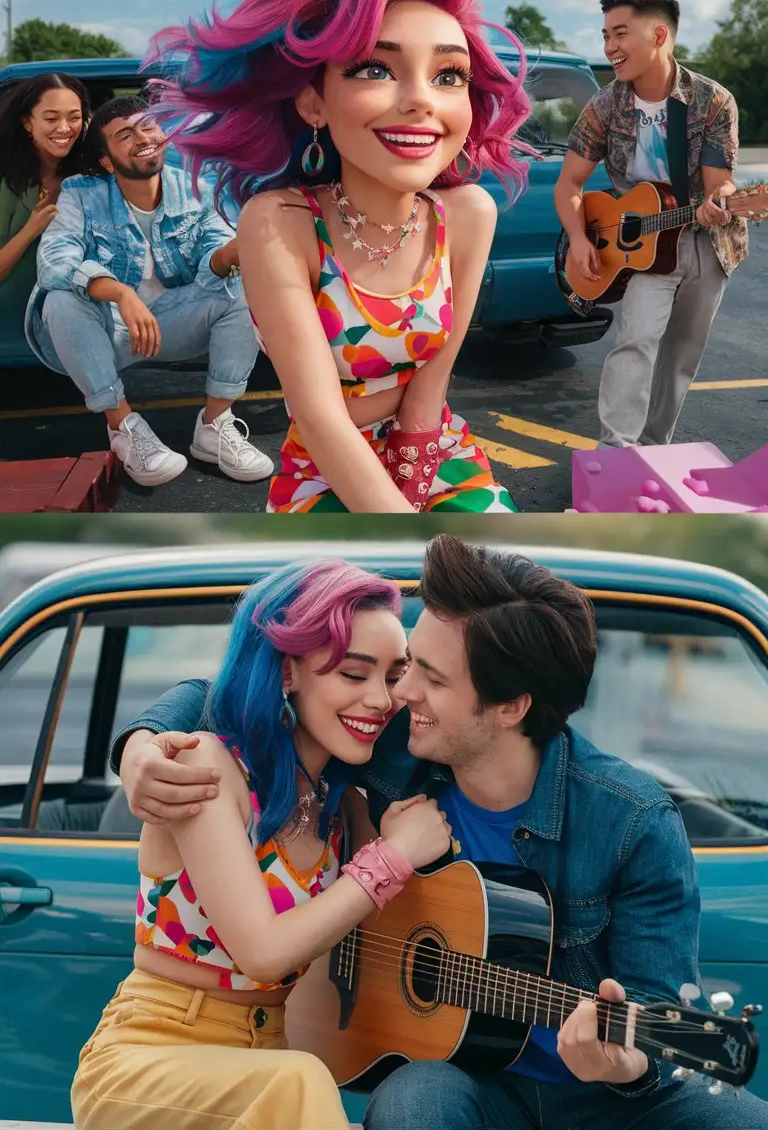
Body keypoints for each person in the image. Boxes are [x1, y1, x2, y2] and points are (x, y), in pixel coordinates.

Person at [110, 534, 768, 1130]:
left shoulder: (632, 823)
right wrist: (138, 745)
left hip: (610, 1102)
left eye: (425, 675)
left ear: (508, 708)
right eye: (406, 666)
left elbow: (651, 1012)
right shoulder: (396, 743)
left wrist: (622, 1064)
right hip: (472, 1085)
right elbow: (246, 685)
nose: (398, 694)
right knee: (412, 1100)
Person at [147, 0, 533, 513]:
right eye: (376, 68)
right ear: (313, 103)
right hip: (325, 465)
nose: (421, 100)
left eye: (449, 76)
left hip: (432, 443)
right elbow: (320, 418)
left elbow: (433, 383)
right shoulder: (281, 223)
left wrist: (415, 469)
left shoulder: (467, 213)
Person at [71, 557, 452, 1130]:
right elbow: (266, 953)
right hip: (151, 1057)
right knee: (300, 1079)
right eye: (354, 674)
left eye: (392, 675)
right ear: (287, 672)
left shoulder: (343, 807)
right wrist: (391, 857)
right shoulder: (208, 767)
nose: (381, 700)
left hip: (268, 1063)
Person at [24, 95, 273, 487]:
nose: (142, 137)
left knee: (240, 284)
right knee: (58, 296)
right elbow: (55, 260)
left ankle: (214, 427)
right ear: (106, 160)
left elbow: (215, 258)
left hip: (170, 324)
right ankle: (124, 429)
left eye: (148, 126)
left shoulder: (196, 190)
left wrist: (235, 252)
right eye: (124, 134)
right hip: (102, 331)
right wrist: (121, 294)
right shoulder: (81, 193)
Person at [554, 0, 747, 448]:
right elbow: (569, 185)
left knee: (681, 354)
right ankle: (616, 452)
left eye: (620, 34)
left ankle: (652, 448)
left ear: (659, 36)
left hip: (704, 238)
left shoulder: (712, 101)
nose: (609, 48)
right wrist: (580, 239)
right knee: (635, 342)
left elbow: (719, 181)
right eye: (605, 36)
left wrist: (719, 202)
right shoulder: (604, 105)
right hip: (640, 241)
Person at [0, 73, 91, 351]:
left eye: (74, 118)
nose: (64, 128)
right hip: (10, 338)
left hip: (75, 336)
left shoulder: (89, 178)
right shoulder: (7, 183)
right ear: (28, 123)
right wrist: (31, 229)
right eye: (51, 119)